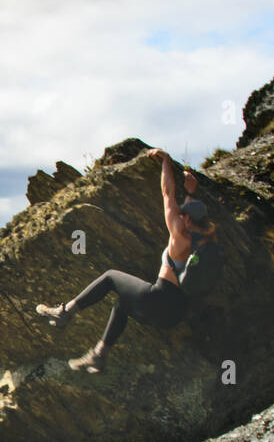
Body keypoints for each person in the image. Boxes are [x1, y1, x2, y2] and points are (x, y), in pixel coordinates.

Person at [35, 148, 216, 372]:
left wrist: (166, 161)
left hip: (157, 297)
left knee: (110, 277)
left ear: (186, 218)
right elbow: (189, 215)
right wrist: (191, 192)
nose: (179, 215)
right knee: (123, 304)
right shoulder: (205, 243)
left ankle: (65, 312)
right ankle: (99, 355)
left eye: (183, 213)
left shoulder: (179, 234)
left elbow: (167, 193)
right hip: (174, 315)